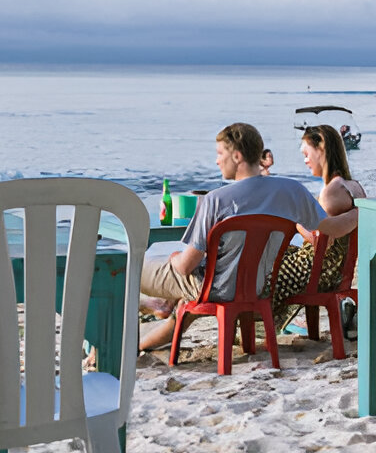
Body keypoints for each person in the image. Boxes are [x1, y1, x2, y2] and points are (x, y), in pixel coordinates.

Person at [137, 123, 352, 352]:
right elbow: (334, 228)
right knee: (182, 296)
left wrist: (174, 258)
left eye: (220, 154)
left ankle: (113, 339)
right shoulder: (292, 191)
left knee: (126, 269)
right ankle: (150, 321)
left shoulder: (215, 200)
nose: (217, 161)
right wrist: (362, 212)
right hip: (258, 287)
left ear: (237, 156)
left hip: (213, 288)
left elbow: (185, 267)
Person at [267, 124, 365, 329]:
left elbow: (322, 241)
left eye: (306, 153)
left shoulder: (331, 192)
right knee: (270, 256)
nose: (305, 160)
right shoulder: (352, 185)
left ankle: (260, 329)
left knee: (263, 273)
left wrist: (296, 222)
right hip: (336, 269)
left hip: (318, 270)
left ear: (322, 149)